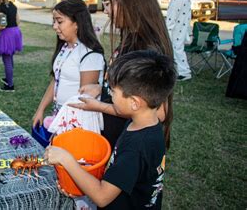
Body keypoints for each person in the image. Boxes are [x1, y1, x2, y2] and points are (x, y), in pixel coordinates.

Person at [45, 50, 176, 209]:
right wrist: (97, 106)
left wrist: (66, 159)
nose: (110, 95)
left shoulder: (135, 148)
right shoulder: (146, 122)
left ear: (135, 102)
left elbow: (101, 196)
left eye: (113, 91)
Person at [71, 0, 174, 150]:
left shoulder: (146, 48)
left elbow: (158, 112)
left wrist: (100, 106)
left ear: (129, 3)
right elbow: (130, 87)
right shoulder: (131, 37)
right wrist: (100, 89)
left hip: (128, 145)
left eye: (110, 4)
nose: (106, 11)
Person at [32, 0, 105, 130]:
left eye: (59, 21)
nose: (55, 27)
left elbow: (85, 99)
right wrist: (40, 109)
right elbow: (56, 79)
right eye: (54, 21)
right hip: (61, 115)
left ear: (77, 23)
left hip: (77, 121)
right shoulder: (65, 48)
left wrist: (64, 123)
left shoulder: (89, 55)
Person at [166, 0, 192, 81]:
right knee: (178, 49)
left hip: (175, 30)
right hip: (183, 27)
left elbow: (172, 16)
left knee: (176, 49)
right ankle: (180, 71)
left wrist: (167, 29)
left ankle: (184, 72)